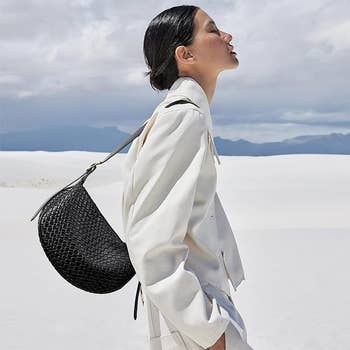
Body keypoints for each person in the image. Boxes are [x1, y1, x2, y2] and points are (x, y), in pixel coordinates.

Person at [121, 5, 254, 350]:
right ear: (186, 54)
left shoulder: (187, 114)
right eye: (213, 30)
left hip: (198, 314)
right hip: (194, 323)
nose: (227, 36)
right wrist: (213, 332)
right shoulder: (183, 119)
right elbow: (152, 244)